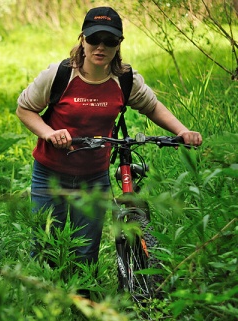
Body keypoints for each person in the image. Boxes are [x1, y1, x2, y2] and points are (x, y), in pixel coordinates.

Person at [16, 6, 202, 294]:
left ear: (119, 44)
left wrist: (181, 131)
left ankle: (82, 303)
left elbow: (152, 106)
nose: (100, 47)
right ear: (83, 40)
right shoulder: (60, 75)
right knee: (44, 244)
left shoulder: (125, 80)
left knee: (85, 249)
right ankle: (40, 301)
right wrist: (50, 133)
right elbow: (25, 109)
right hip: (50, 173)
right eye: (94, 39)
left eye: (110, 41)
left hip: (93, 176)